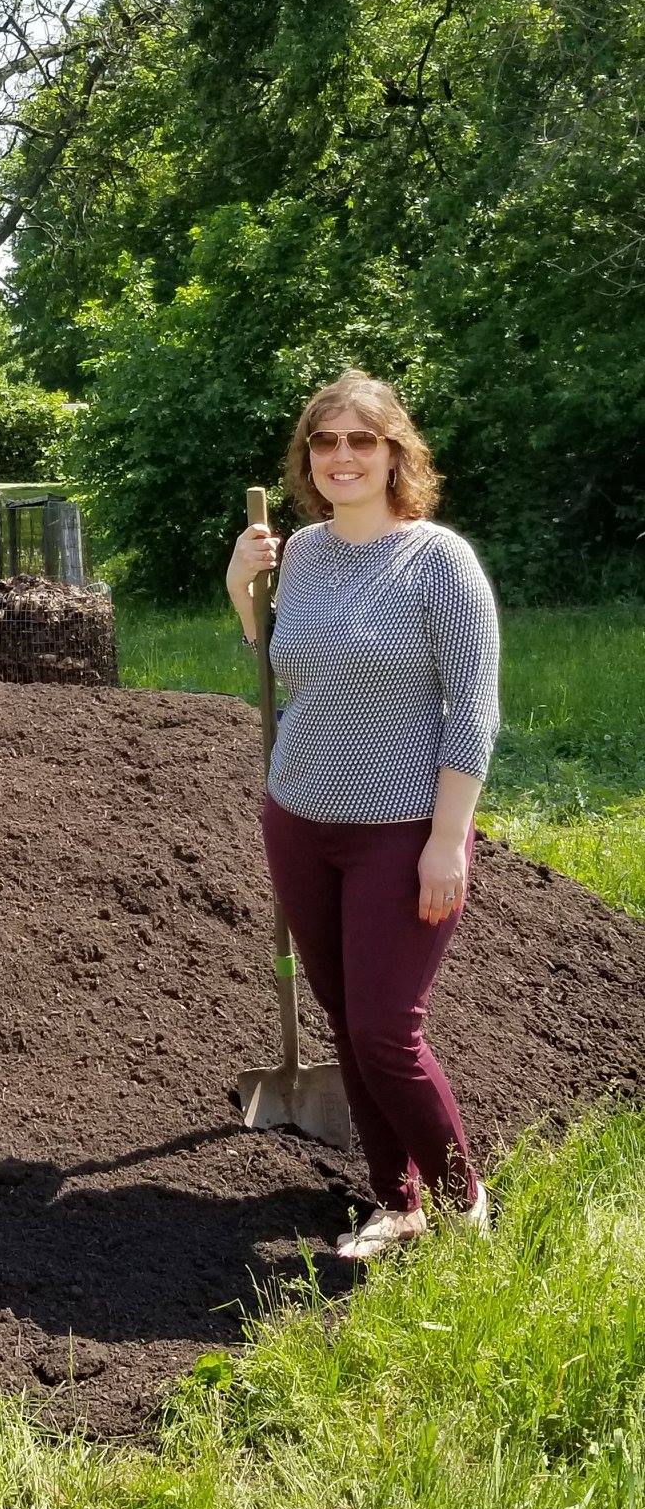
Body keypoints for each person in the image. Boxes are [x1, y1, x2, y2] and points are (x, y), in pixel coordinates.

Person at [226, 368, 500, 1260]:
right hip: (300, 818)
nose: (342, 456)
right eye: (325, 441)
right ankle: (398, 1202)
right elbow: (280, 666)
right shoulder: (297, 554)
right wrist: (242, 590)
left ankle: (466, 1206)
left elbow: (474, 706)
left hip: (402, 831)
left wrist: (446, 842)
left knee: (387, 1029)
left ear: (394, 454)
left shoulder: (439, 560)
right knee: (348, 1023)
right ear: (310, 458)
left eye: (361, 441)